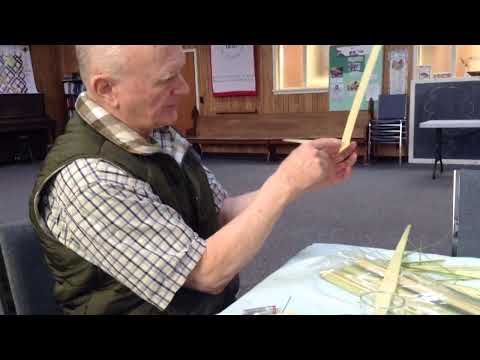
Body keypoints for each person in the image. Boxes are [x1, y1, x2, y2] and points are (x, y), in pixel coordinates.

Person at [29, 45, 357, 315]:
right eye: (166, 79)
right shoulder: (89, 180)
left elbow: (221, 211)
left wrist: (300, 181)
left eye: (180, 71)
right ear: (107, 89)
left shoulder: (157, 133)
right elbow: (206, 272)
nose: (185, 88)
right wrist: (285, 182)